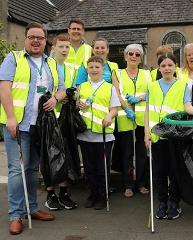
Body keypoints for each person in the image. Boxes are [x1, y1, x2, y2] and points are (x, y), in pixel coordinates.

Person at [0, 22, 66, 235]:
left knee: (32, 170)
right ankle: (16, 215)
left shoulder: (52, 63)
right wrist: (10, 118)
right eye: (32, 37)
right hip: (18, 125)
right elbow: (4, 88)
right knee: (16, 170)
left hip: (41, 127)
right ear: (25, 39)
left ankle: (32, 208)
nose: (36, 40)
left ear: (45, 40)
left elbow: (63, 89)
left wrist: (56, 98)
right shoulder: (14, 59)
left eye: (40, 37)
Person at [144, 53, 193, 220]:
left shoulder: (182, 86)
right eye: (163, 66)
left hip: (174, 137)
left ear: (175, 67)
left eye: (170, 65)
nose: (166, 68)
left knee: (174, 172)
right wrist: (146, 134)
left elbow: (188, 107)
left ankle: (174, 202)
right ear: (159, 68)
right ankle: (162, 202)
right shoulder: (151, 86)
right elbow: (147, 111)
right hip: (157, 137)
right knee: (159, 172)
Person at [77, 56, 120, 210]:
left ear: (103, 70)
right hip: (85, 134)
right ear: (87, 69)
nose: (94, 70)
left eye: (97, 67)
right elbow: (77, 107)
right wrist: (78, 105)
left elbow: (115, 108)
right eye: (91, 67)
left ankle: (103, 196)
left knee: (102, 167)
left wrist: (109, 116)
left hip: (104, 135)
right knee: (89, 168)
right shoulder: (81, 87)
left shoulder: (110, 88)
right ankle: (92, 194)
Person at [42, 33, 78, 211]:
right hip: (47, 118)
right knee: (49, 157)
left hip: (65, 117)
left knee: (66, 157)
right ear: (53, 47)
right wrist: (59, 96)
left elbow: (76, 89)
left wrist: (71, 95)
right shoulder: (45, 65)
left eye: (67, 47)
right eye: (61, 46)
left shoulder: (72, 68)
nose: (64, 50)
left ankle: (64, 194)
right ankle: (50, 195)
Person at [112, 44, 151, 198]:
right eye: (130, 54)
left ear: (141, 58)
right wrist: (126, 107)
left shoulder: (148, 74)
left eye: (137, 54)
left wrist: (139, 98)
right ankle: (128, 184)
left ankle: (141, 183)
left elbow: (151, 92)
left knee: (141, 152)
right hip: (125, 117)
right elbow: (116, 93)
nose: (134, 56)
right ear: (125, 56)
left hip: (143, 118)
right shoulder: (118, 73)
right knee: (127, 152)